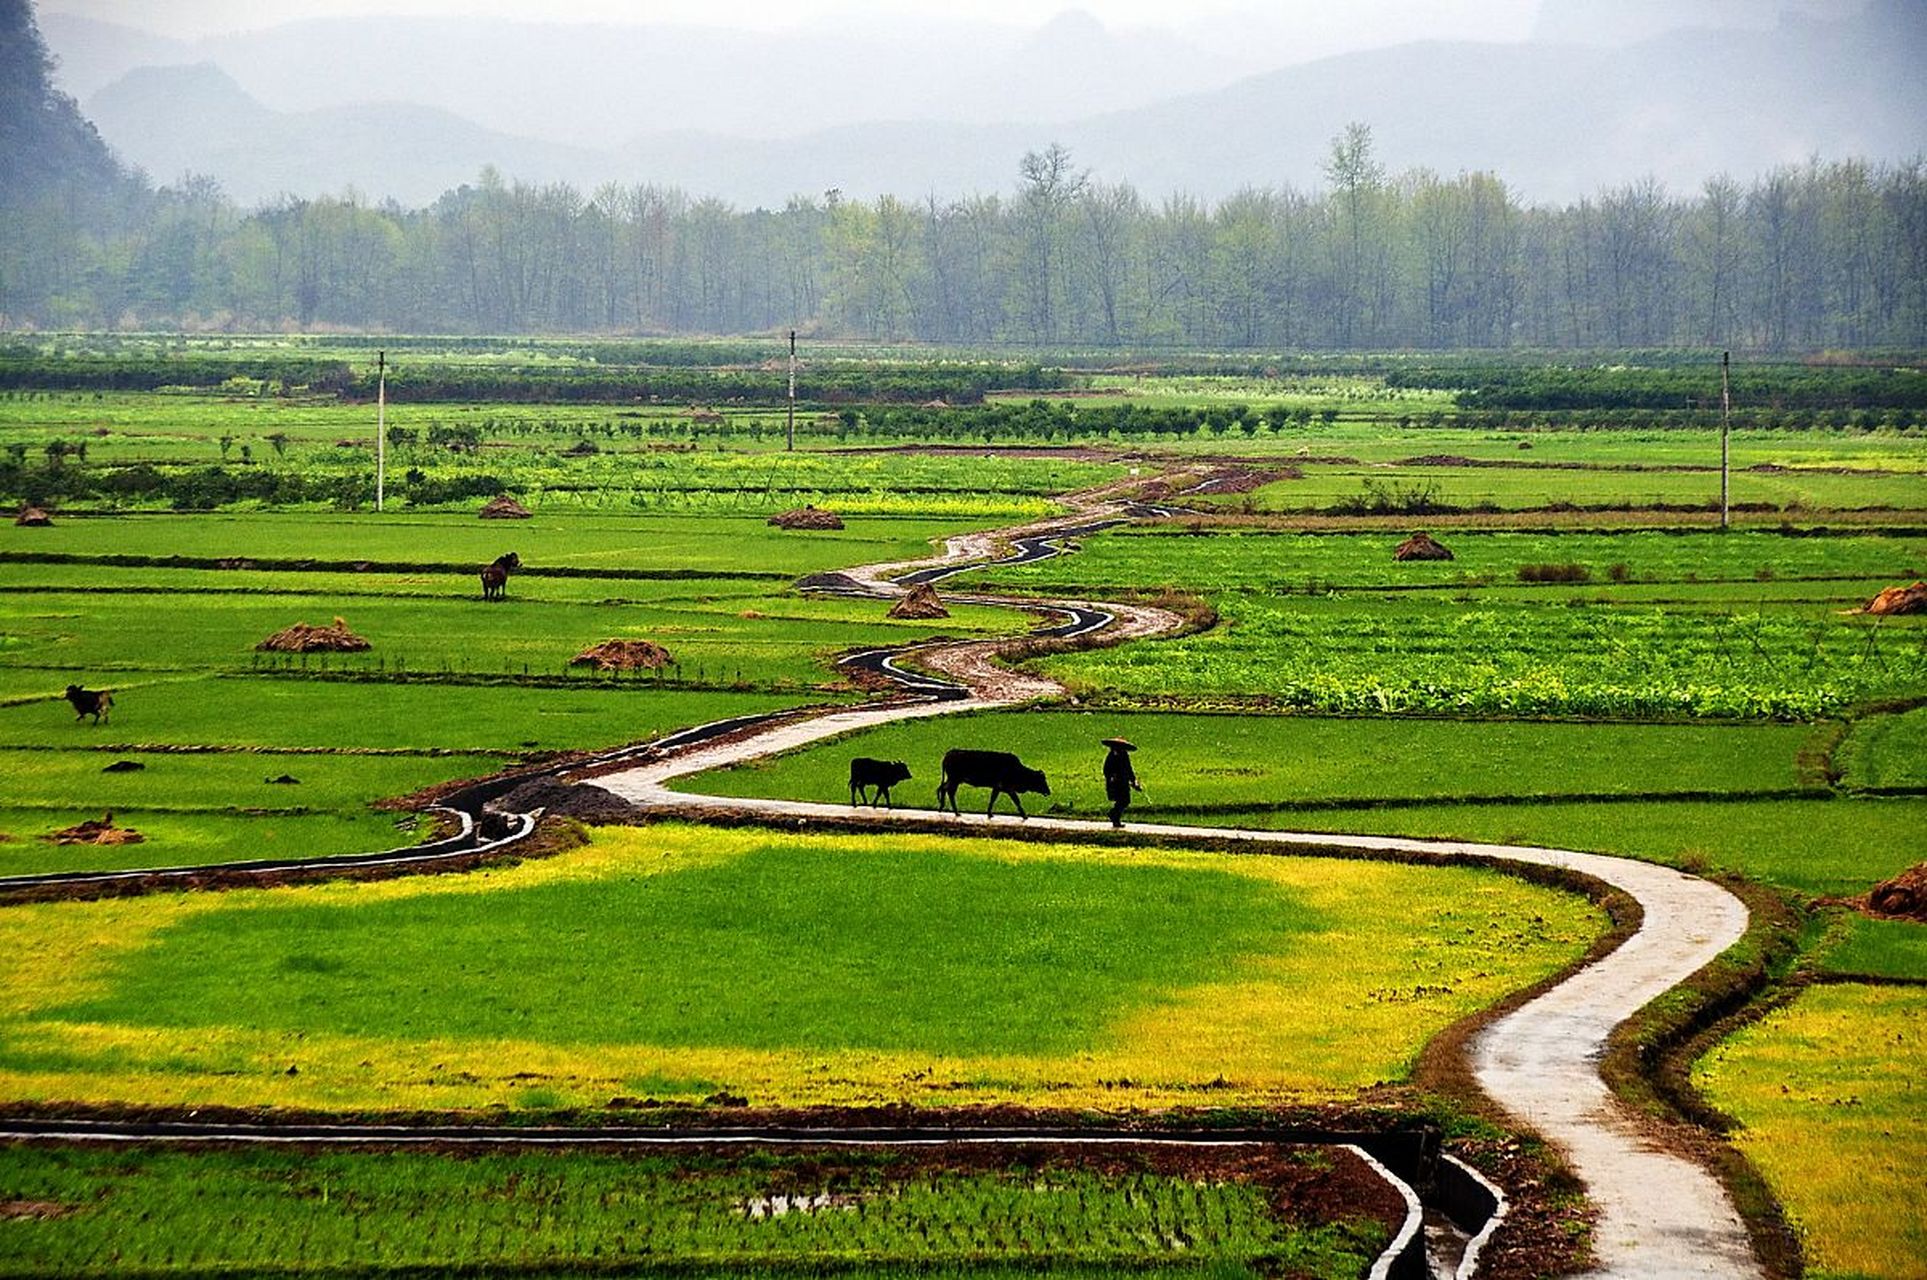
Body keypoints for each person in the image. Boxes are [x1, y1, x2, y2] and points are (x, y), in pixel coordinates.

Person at [1100, 737, 1141, 828]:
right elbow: (1106, 769)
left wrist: (1133, 780)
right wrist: (1111, 777)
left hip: (1123, 781)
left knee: (1125, 800)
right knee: (1121, 800)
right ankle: (1115, 818)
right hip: (1115, 782)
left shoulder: (1124, 756)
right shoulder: (1111, 756)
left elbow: (1129, 769)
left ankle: (1114, 815)